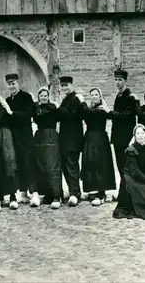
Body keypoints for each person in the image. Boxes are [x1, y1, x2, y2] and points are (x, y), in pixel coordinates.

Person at [4, 73, 38, 206]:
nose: (11, 86)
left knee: (29, 163)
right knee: (18, 165)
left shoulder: (26, 97)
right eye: (9, 84)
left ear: (18, 83)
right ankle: (23, 192)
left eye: (13, 83)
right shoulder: (8, 100)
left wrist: (12, 113)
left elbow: (27, 115)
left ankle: (34, 192)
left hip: (25, 136)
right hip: (13, 137)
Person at [81, 88, 117, 206]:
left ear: (100, 96)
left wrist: (82, 102)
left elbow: (88, 113)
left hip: (100, 138)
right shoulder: (91, 109)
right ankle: (94, 190)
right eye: (92, 95)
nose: (94, 96)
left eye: (96, 94)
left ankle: (101, 193)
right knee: (91, 163)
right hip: (90, 137)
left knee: (101, 164)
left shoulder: (101, 109)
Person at [108, 70, 140, 203]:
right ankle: (123, 192)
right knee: (120, 166)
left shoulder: (130, 97)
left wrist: (110, 113)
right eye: (116, 80)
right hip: (117, 138)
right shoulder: (119, 96)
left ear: (125, 81)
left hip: (126, 137)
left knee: (127, 165)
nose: (117, 82)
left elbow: (125, 116)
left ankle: (130, 194)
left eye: (120, 80)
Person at [32, 87, 62, 209]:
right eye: (41, 95)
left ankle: (56, 195)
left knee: (52, 165)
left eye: (45, 95)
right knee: (42, 165)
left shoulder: (53, 108)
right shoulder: (36, 109)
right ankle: (47, 194)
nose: (43, 97)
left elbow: (58, 117)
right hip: (40, 137)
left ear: (48, 96)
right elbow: (35, 118)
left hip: (51, 137)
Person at [57, 76, 84, 206]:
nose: (64, 88)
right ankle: (72, 190)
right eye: (62, 86)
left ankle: (75, 193)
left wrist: (59, 108)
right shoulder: (66, 99)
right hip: (65, 139)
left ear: (71, 85)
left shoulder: (75, 99)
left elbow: (71, 115)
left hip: (73, 139)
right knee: (65, 166)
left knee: (72, 165)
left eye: (66, 85)